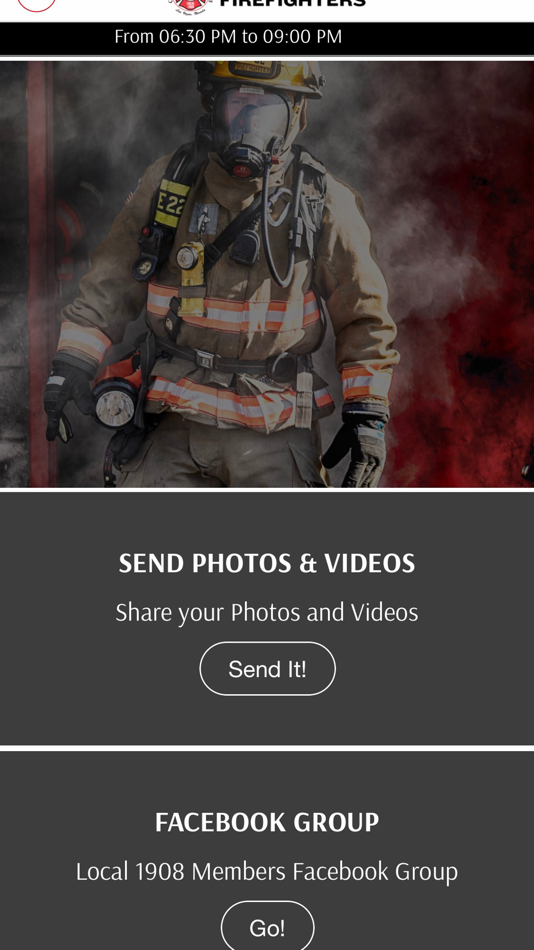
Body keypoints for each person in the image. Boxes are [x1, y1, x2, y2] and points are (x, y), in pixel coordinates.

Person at [43, 60, 399, 488]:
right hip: (172, 415)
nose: (250, 125)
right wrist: (72, 361)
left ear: (296, 114)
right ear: (213, 106)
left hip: (273, 426)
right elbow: (111, 281)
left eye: (266, 111)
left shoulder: (322, 203)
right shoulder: (170, 184)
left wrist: (367, 413)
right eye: (238, 106)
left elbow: (363, 317)